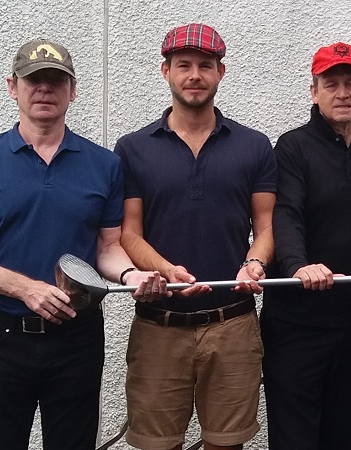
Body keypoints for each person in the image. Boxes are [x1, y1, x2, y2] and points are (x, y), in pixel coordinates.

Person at [0, 38, 166, 450]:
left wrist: (133, 275)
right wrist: (24, 288)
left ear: (72, 91)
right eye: (33, 80)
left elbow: (107, 247)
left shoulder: (104, 164)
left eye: (55, 81)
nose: (44, 89)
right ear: (13, 87)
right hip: (3, 336)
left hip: (77, 338)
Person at [113, 24, 277, 450]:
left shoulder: (255, 146)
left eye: (206, 65)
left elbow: (266, 228)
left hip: (233, 323)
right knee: (155, 444)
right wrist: (165, 269)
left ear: (221, 72)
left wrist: (254, 263)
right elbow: (128, 234)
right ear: (165, 71)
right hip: (158, 326)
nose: (195, 75)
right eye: (183, 65)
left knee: (227, 443)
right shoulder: (133, 148)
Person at [262, 42, 351, 450]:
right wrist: (297, 266)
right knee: (294, 438)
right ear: (314, 92)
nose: (342, 93)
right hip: (294, 322)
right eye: (331, 84)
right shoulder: (291, 148)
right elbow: (285, 213)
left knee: (343, 434)